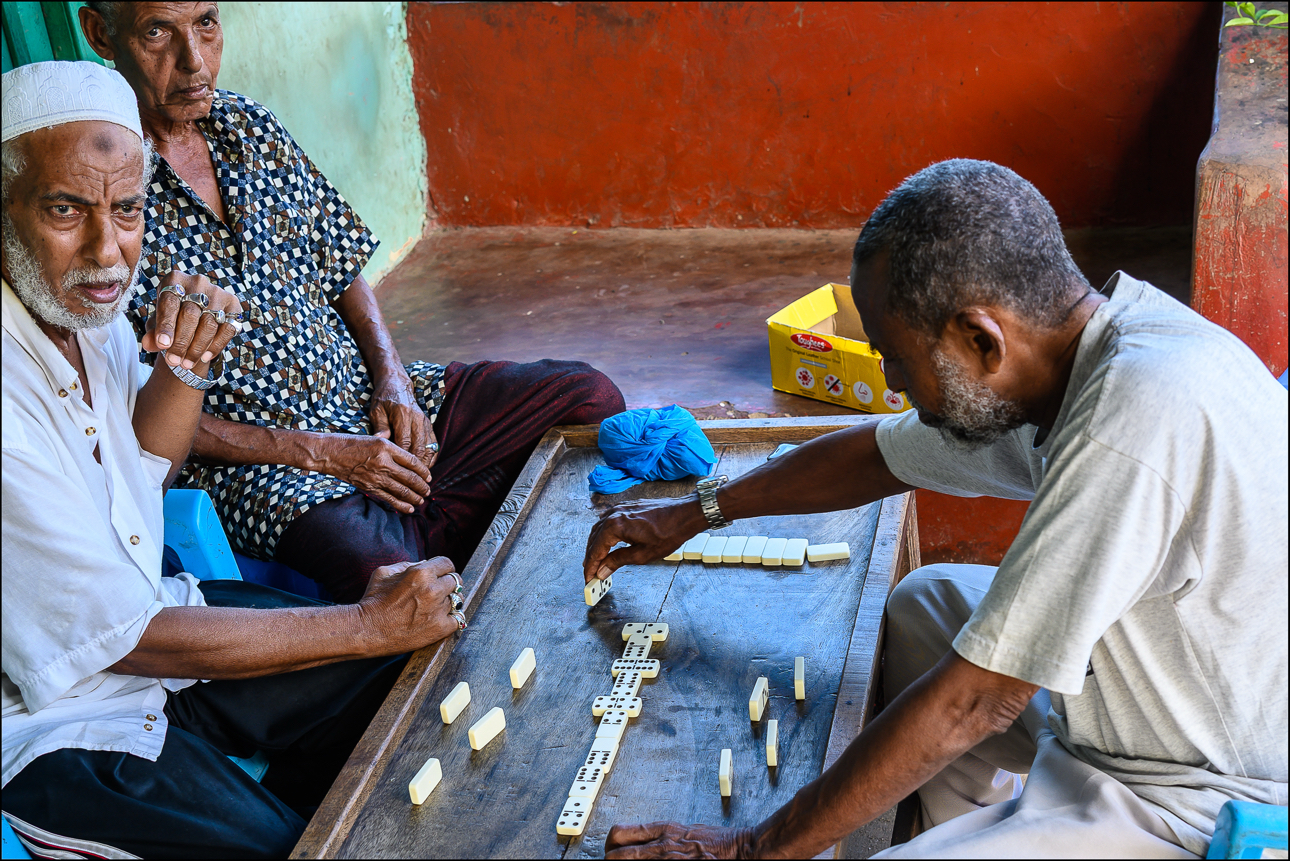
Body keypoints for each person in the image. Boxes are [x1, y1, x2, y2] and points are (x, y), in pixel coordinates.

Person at [583, 160, 1288, 858]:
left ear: (980, 339)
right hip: (1131, 704)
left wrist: (751, 848)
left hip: (1195, 792)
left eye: (894, 357)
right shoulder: (1085, 352)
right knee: (927, 602)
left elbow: (977, 699)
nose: (892, 383)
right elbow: (879, 454)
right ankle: (967, 826)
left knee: (957, 698)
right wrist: (697, 510)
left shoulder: (1127, 426)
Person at [1, 61, 465, 859]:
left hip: (153, 622)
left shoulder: (79, 305)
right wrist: (361, 622)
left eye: (126, 209)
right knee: (293, 846)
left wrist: (187, 366)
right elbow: (124, 637)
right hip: (51, 727)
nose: (107, 251)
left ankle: (289, 793)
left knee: (403, 675)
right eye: (64, 209)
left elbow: (147, 466)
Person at [78, 2, 625, 603]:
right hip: (260, 465)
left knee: (586, 397)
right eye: (158, 31)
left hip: (363, 398)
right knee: (380, 571)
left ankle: (433, 533)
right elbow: (127, 408)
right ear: (101, 34)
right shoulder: (101, 190)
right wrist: (325, 453)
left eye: (206, 22)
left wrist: (393, 380)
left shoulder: (250, 126)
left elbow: (342, 265)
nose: (194, 60)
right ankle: (434, 535)